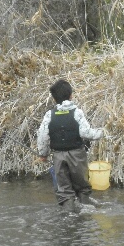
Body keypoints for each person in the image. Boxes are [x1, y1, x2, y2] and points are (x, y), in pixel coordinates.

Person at [37, 79, 104, 212]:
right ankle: (85, 207)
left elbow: (42, 136)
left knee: (64, 190)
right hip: (77, 154)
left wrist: (43, 154)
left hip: (58, 156)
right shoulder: (77, 112)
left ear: (54, 99)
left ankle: (69, 213)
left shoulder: (49, 115)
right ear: (71, 95)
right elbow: (86, 133)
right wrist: (102, 132)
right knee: (82, 186)